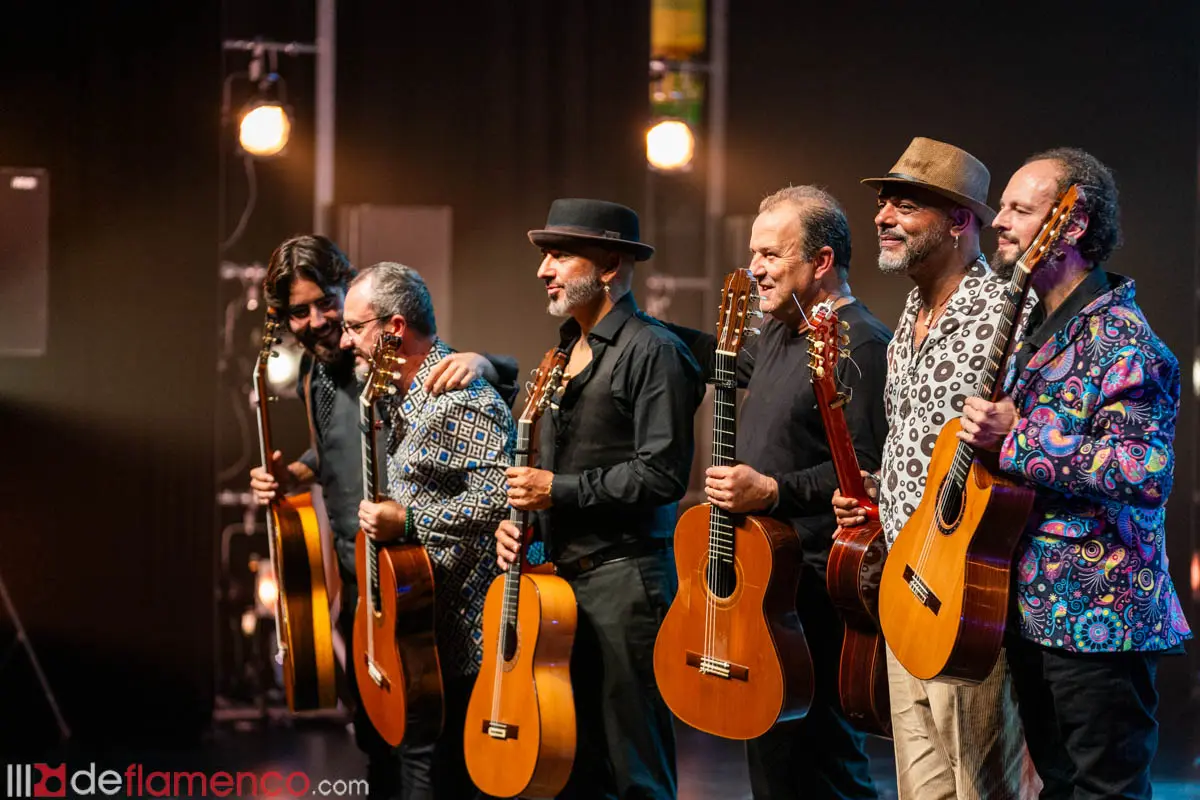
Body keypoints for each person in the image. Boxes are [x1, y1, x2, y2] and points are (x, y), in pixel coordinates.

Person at [956, 148, 1192, 799]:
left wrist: (1017, 436)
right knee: (1060, 788)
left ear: (1072, 224)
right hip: (1032, 610)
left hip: (1101, 616)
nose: (997, 221)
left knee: (1102, 791)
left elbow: (1142, 471)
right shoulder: (1036, 333)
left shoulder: (1124, 341)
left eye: (1018, 209)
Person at [249, 234, 517, 800]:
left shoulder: (382, 360)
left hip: (413, 581)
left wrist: (489, 363)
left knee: (421, 746)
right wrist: (296, 473)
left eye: (329, 304)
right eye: (301, 312)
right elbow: (336, 453)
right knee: (375, 741)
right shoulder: (315, 375)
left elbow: (459, 415)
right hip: (360, 583)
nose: (321, 323)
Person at [667, 185, 890, 799]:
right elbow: (697, 352)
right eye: (752, 254)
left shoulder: (862, 341)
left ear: (820, 262)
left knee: (826, 768)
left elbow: (868, 475)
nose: (754, 269)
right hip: (766, 586)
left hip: (818, 590)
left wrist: (771, 489)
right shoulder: (776, 336)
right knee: (774, 771)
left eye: (771, 255)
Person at [832, 138, 1035, 799]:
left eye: (906, 204)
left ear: (959, 222)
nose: (884, 216)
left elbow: (1031, 447)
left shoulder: (1007, 312)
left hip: (969, 593)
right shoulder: (913, 311)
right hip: (906, 587)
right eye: (883, 203)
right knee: (921, 789)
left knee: (983, 789)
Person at [493, 198, 704, 799]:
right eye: (544, 256)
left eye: (560, 255)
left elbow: (662, 475)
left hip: (625, 581)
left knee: (634, 768)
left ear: (609, 265)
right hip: (561, 585)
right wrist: (522, 524)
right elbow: (546, 467)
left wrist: (554, 491)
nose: (543, 270)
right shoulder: (560, 354)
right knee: (572, 766)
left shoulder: (654, 350)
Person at [341, 261, 515, 799]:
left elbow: (499, 500)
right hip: (416, 626)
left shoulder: (461, 398)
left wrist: (410, 520)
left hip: (460, 642)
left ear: (393, 329)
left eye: (354, 327)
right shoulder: (392, 394)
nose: (346, 342)